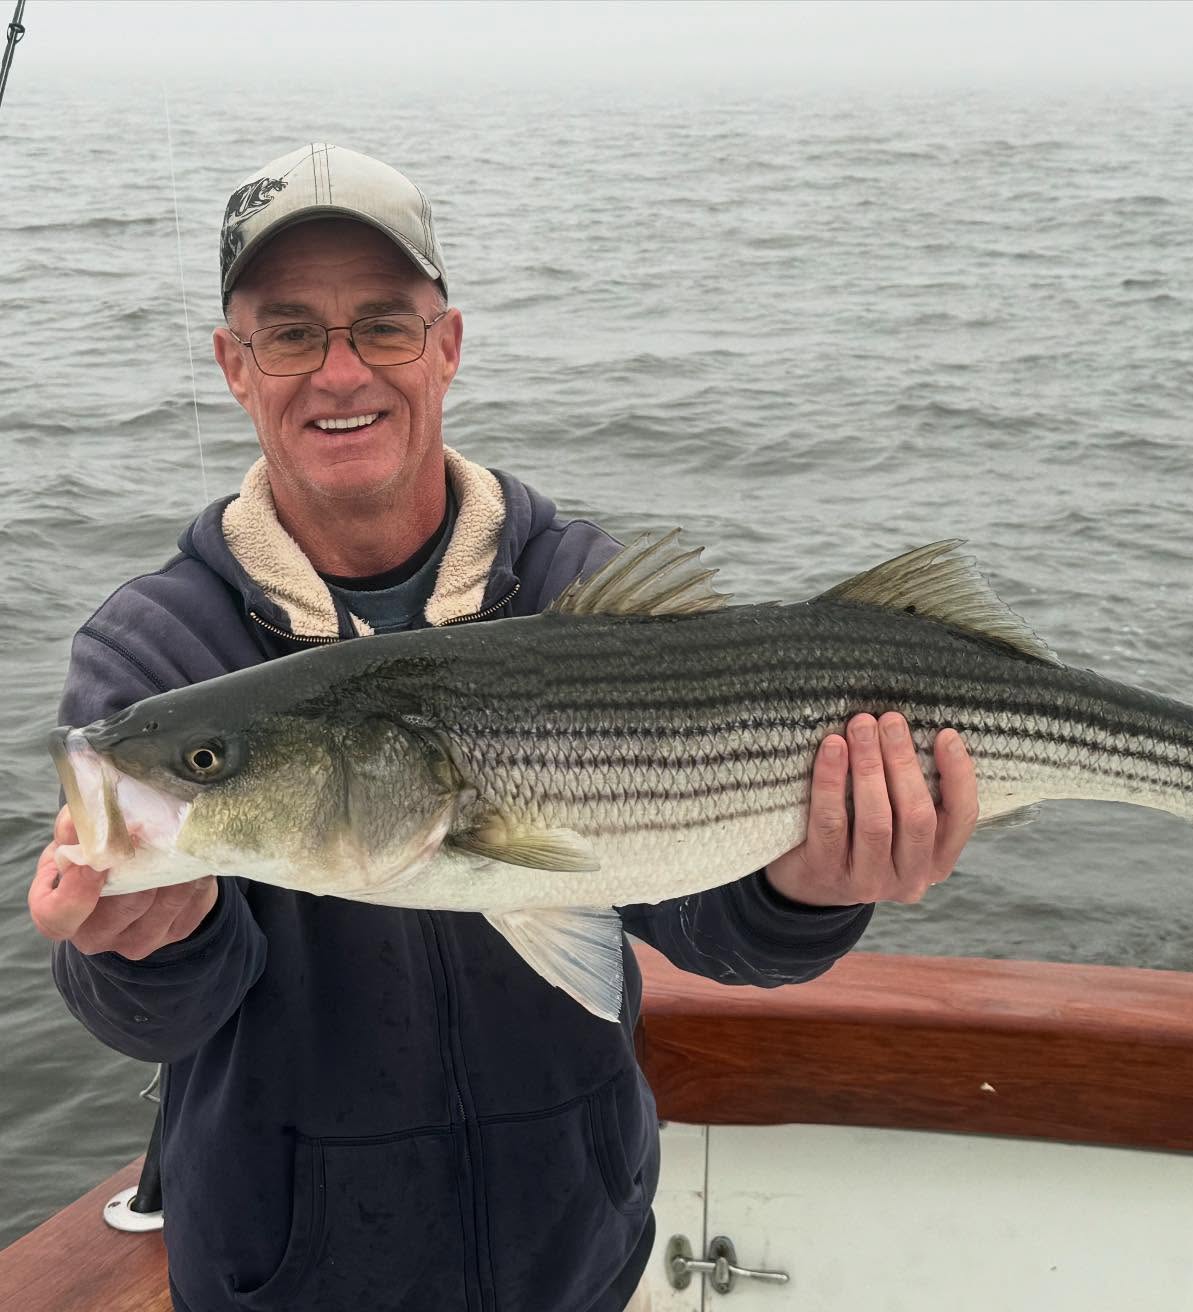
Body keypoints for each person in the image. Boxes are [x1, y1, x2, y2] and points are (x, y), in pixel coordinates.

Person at [28, 144, 977, 1312]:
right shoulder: (154, 656)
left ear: (447, 346)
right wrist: (151, 945)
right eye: (290, 334)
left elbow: (708, 923)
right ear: (235, 365)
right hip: (288, 1285)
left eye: (384, 327)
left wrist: (809, 890)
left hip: (576, 1266)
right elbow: (148, 1018)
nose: (339, 372)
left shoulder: (578, 591)